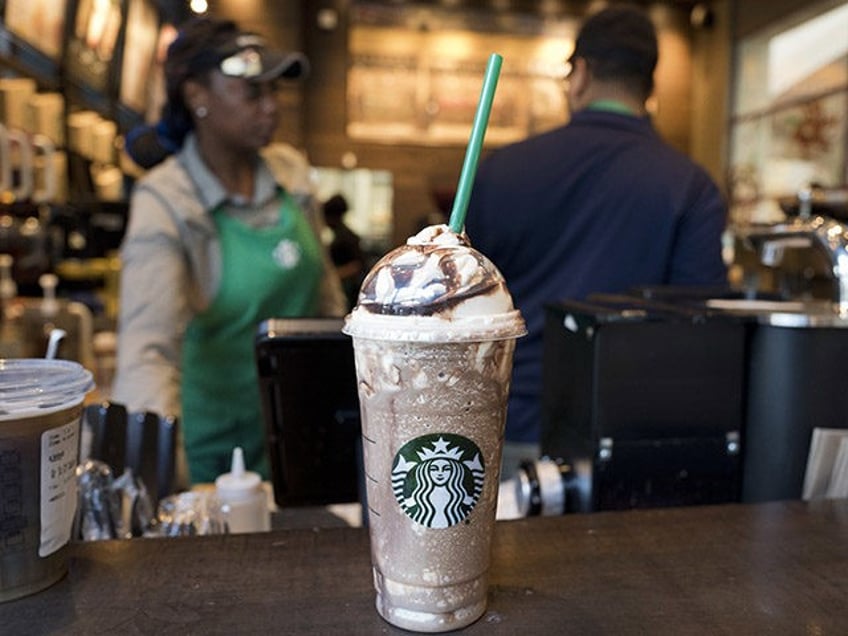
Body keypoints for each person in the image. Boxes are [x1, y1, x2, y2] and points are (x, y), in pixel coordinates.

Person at [465, 4, 728, 477]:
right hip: (625, 441)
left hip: (505, 427)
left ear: (581, 74)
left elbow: (462, 308)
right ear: (650, 85)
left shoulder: (502, 170)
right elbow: (701, 332)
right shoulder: (690, 185)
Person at [112, 18, 346, 485]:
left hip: (311, 442)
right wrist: (149, 483)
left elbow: (330, 308)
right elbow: (147, 355)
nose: (271, 107)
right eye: (251, 92)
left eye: (273, 92)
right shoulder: (166, 200)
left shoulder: (291, 176)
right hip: (218, 464)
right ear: (197, 95)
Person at [322, 193, 365, 309]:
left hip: (347, 288)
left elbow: (357, 265)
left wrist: (335, 275)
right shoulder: (339, 235)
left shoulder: (346, 237)